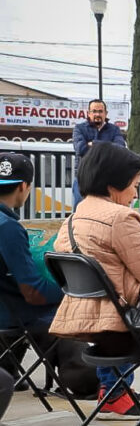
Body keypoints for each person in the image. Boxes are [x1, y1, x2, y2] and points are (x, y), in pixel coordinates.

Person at [49, 143, 140, 420]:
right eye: (135, 185)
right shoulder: (121, 218)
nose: (136, 193)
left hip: (86, 323)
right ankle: (115, 395)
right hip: (126, 327)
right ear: (114, 185)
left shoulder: (73, 219)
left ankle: (112, 390)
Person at [0, 153, 64, 386]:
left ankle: (9, 369)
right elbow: (32, 292)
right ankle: (82, 381)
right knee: (70, 310)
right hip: (10, 316)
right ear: (24, 186)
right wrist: (66, 291)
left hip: (5, 306)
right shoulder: (8, 228)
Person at [71, 99, 126, 210]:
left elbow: (120, 148)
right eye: (94, 111)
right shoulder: (79, 129)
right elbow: (81, 149)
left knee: (108, 212)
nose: (97, 114)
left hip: (107, 179)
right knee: (79, 210)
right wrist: (108, 147)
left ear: (106, 113)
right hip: (83, 178)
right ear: (89, 113)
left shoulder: (114, 130)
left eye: (100, 111)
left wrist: (93, 144)